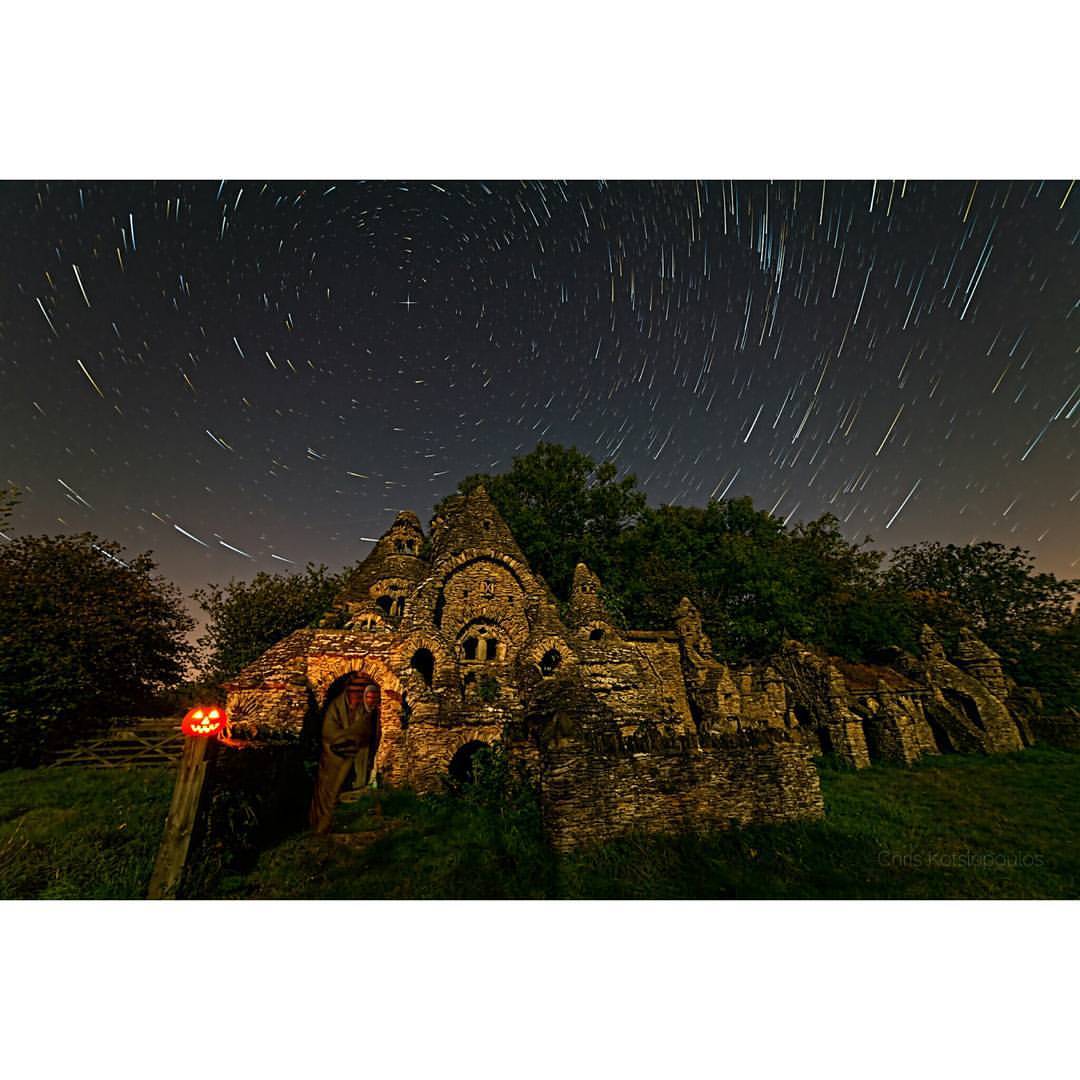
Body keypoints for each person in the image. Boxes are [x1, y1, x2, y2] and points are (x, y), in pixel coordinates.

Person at [309, 675, 380, 834]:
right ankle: (320, 824)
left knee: (341, 790)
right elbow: (328, 733)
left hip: (352, 753)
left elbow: (365, 730)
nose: (355, 696)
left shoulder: (364, 711)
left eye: (359, 692)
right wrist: (344, 738)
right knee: (327, 790)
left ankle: (331, 822)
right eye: (353, 692)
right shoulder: (336, 707)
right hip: (332, 757)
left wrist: (350, 737)